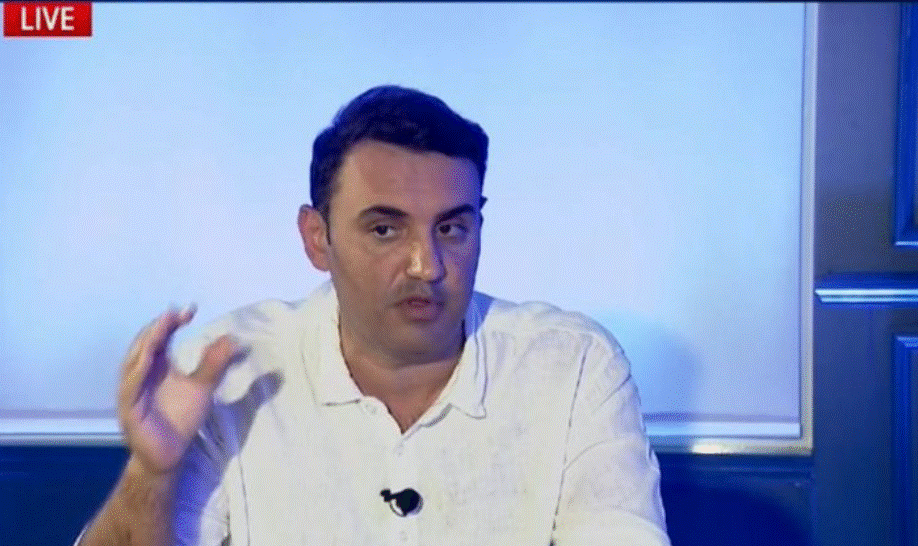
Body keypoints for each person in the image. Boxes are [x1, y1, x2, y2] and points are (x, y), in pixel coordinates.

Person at [77, 85, 670, 546]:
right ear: (317, 238)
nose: (426, 265)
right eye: (385, 229)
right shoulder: (231, 368)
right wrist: (151, 474)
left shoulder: (572, 366)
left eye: (452, 229)